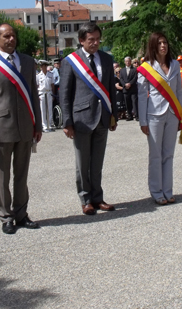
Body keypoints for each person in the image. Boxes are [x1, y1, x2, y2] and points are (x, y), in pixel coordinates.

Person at [0, 23, 42, 234]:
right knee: (2, 177)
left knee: (21, 175)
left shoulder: (28, 61)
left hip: (25, 127)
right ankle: (6, 217)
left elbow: (33, 96)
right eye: (6, 36)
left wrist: (37, 125)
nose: (11, 39)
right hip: (1, 128)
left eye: (13, 35)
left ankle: (21, 214)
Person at [60, 22, 117, 216]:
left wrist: (113, 115)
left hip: (102, 117)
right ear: (81, 40)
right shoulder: (70, 61)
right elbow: (65, 94)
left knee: (97, 163)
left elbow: (110, 89)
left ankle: (98, 198)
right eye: (91, 40)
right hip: (81, 119)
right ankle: (86, 200)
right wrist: (67, 122)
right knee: (82, 164)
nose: (95, 43)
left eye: (97, 39)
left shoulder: (107, 60)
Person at [137, 32, 182, 205]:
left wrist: (181, 116)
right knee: (156, 155)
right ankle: (156, 192)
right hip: (154, 115)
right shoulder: (147, 67)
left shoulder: (174, 65)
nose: (163, 46)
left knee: (168, 155)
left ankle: (168, 191)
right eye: (160, 43)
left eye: (165, 42)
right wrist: (143, 121)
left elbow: (179, 91)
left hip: (172, 114)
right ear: (153, 46)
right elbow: (142, 95)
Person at [37, 60, 55, 132]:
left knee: (49, 109)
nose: (41, 67)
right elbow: (36, 86)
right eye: (40, 66)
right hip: (42, 93)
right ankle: (44, 125)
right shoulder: (38, 75)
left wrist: (53, 94)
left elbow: (52, 85)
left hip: (49, 92)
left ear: (45, 66)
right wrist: (37, 95)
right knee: (43, 109)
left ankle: (49, 124)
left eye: (42, 66)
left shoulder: (51, 74)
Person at [119, 56, 138, 120]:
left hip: (133, 89)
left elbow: (135, 78)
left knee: (134, 102)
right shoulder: (122, 70)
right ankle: (129, 116)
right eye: (126, 61)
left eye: (129, 61)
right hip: (125, 89)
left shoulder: (134, 70)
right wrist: (125, 84)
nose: (128, 62)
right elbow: (121, 78)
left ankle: (136, 115)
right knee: (127, 103)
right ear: (124, 62)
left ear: (130, 62)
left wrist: (130, 84)